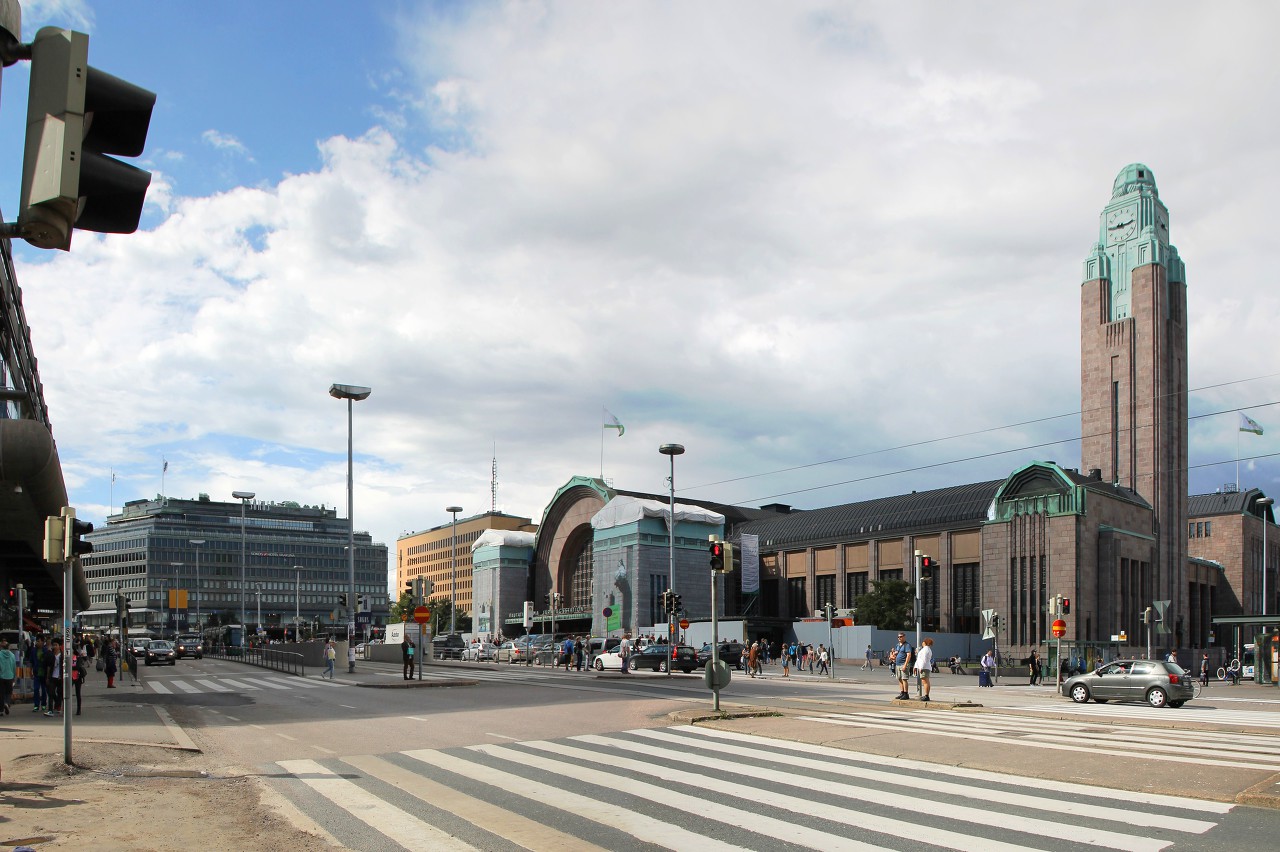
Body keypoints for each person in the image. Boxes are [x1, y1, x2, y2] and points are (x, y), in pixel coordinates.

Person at [892, 633, 914, 700]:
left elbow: (908, 655)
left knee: (904, 679)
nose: (899, 638)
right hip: (898, 664)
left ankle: (906, 693)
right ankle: (902, 692)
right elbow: (896, 653)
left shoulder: (907, 645)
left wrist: (905, 665)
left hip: (903, 664)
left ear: (904, 637)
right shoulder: (897, 645)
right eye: (898, 637)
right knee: (899, 679)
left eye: (901, 637)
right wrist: (893, 657)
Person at [44, 639, 63, 715]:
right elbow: (48, 666)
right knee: (51, 693)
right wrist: (48, 677)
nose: (54, 646)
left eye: (56, 645)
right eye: (53, 645)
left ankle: (58, 706)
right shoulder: (50, 655)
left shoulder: (62, 655)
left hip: (60, 677)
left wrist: (61, 675)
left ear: (59, 646)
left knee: (60, 693)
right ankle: (50, 710)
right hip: (53, 676)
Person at [913, 637, 935, 702]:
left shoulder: (925, 650)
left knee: (925, 682)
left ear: (925, 642)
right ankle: (926, 695)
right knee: (925, 681)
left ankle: (926, 695)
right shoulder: (927, 649)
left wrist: (921, 667)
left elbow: (923, 659)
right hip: (925, 667)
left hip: (924, 667)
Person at [0, 639, 16, 715]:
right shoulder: (12, 655)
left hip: (1, 676)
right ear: (8, 647)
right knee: (8, 693)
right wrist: (14, 677)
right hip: (10, 676)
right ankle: (6, 703)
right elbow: (14, 667)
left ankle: (1, 710)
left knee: (1, 693)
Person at [71, 646, 86, 715]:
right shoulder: (67, 658)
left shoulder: (78, 658)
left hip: (77, 677)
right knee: (66, 693)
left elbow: (77, 666)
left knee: (78, 693)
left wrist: (70, 666)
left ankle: (78, 709)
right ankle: (65, 708)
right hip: (70, 677)